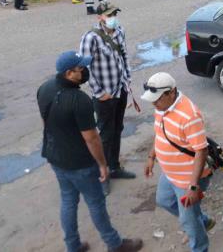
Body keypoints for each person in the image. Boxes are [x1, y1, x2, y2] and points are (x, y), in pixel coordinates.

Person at [37, 51, 143, 252]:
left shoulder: (44, 88)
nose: (85, 71)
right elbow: (92, 138)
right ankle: (115, 244)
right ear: (69, 73)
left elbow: (45, 122)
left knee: (68, 201)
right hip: (81, 163)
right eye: (81, 69)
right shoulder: (79, 99)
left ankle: (73, 246)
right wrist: (103, 165)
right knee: (96, 203)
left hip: (55, 157)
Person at [142, 72, 215, 252]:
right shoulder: (161, 108)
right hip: (170, 174)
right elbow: (160, 133)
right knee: (164, 200)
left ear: (171, 92)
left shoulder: (189, 115)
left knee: (188, 221)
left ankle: (200, 246)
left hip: (187, 178)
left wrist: (192, 186)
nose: (154, 103)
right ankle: (203, 222)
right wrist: (152, 156)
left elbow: (201, 150)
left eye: (157, 99)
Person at [79, 4, 136, 195]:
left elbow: (124, 56)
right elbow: (84, 68)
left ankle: (114, 167)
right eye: (109, 15)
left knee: (117, 129)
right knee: (104, 134)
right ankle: (101, 175)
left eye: (115, 14)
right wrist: (99, 91)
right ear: (99, 17)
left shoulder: (119, 31)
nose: (113, 17)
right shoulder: (91, 38)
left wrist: (127, 80)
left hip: (120, 90)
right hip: (104, 95)